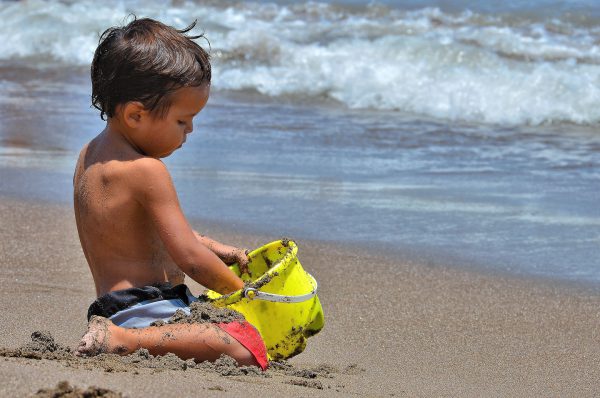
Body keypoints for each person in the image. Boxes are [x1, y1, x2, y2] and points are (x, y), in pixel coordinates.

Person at [72, 17, 268, 370]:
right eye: (182, 121)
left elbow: (143, 231)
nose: (190, 130)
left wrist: (216, 248)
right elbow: (188, 257)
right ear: (135, 114)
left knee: (232, 333)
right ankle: (124, 341)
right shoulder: (148, 170)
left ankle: (121, 334)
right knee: (246, 344)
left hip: (117, 305)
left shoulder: (90, 157)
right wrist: (243, 295)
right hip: (150, 308)